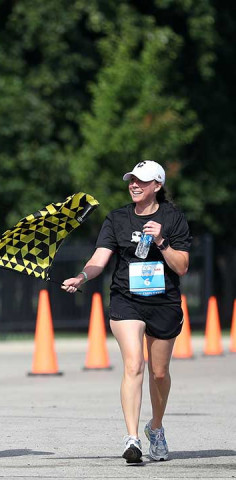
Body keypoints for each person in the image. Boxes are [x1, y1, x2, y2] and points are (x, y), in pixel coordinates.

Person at [61, 160, 190, 464]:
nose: (134, 185)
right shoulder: (117, 219)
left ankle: (155, 428)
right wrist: (82, 276)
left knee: (159, 373)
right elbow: (100, 257)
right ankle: (132, 438)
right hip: (126, 301)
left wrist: (161, 241)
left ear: (157, 186)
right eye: (131, 180)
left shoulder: (173, 218)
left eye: (141, 181)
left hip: (163, 302)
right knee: (134, 365)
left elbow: (182, 267)